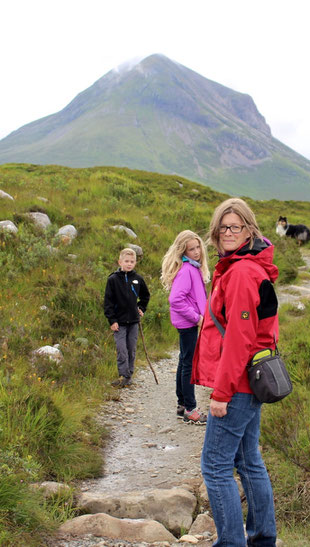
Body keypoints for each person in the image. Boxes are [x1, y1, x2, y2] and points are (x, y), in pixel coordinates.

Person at [192, 198, 279, 546]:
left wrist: (222, 393)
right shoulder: (243, 266)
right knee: (248, 460)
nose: (228, 233)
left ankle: (232, 542)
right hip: (249, 382)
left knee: (214, 466)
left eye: (236, 227)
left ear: (249, 230)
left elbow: (240, 339)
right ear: (215, 232)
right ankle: (261, 537)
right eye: (223, 227)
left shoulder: (242, 272)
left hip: (239, 385)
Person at [161, 230, 211, 424]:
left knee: (184, 361)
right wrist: (197, 318)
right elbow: (175, 299)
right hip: (188, 322)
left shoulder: (192, 267)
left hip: (187, 322)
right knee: (189, 363)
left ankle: (182, 405)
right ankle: (190, 408)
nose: (197, 251)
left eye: (198, 247)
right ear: (183, 251)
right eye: (192, 249)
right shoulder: (187, 270)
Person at [103, 248, 150, 387]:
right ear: (120, 262)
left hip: (134, 321)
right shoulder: (113, 279)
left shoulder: (138, 279)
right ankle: (123, 375)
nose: (129, 264)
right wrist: (112, 320)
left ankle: (129, 376)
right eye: (126, 261)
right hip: (119, 322)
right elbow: (108, 302)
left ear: (135, 262)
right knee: (121, 349)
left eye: (132, 261)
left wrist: (141, 308)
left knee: (131, 349)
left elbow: (145, 296)